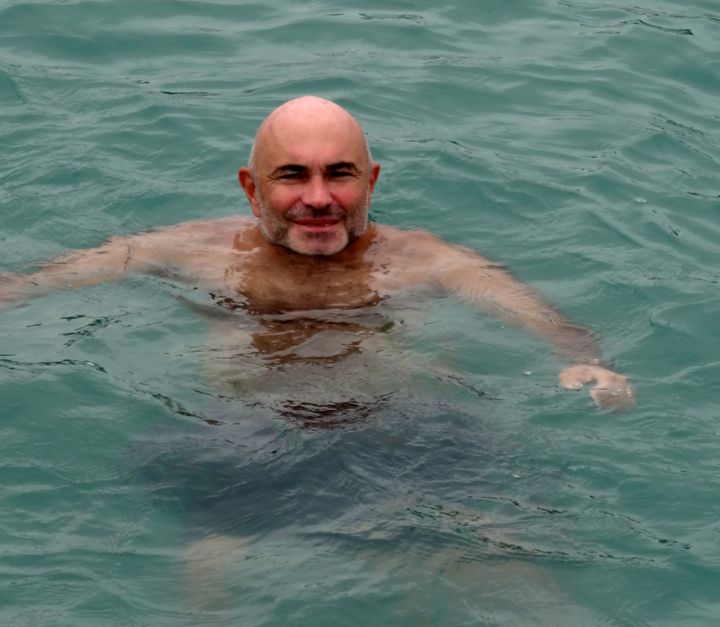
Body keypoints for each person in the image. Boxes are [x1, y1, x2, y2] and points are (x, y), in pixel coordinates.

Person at [0, 94, 634, 408]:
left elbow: (548, 323)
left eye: (339, 174)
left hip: (397, 437)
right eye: (292, 176)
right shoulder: (193, 249)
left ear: (371, 181)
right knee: (208, 571)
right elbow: (40, 282)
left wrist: (591, 364)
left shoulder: (426, 261)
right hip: (250, 435)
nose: (319, 198)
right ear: (251, 188)